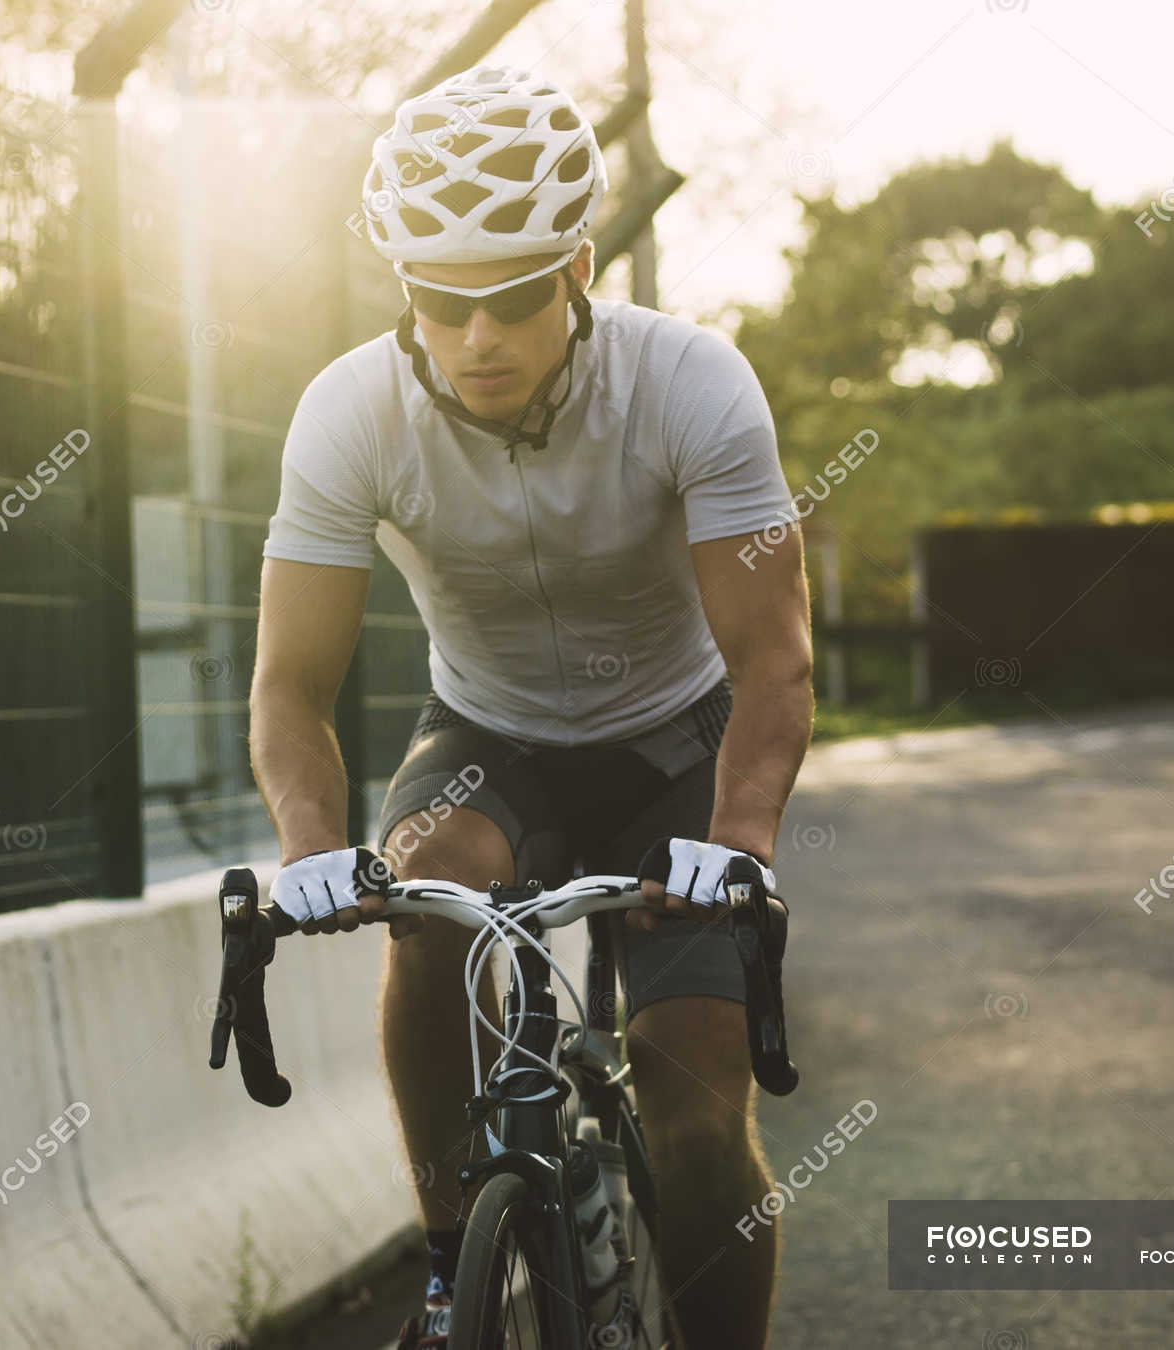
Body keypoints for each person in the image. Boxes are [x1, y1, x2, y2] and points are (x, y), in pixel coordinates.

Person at [248, 64, 813, 1350]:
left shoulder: (692, 384)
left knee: (692, 1102)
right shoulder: (348, 413)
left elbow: (774, 661)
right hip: (488, 744)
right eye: (442, 304)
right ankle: (457, 1261)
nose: (477, 337)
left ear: (577, 270)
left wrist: (740, 845)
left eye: (511, 298)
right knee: (422, 893)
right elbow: (289, 685)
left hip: (683, 740)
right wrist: (307, 852)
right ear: (408, 292)